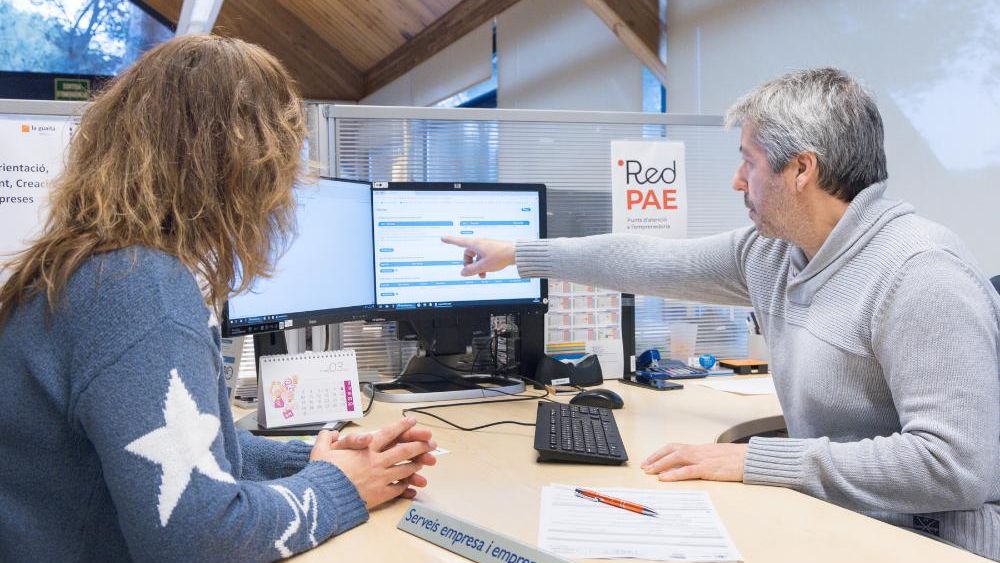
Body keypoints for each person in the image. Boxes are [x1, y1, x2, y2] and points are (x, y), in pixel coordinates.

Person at [443, 68, 999, 560]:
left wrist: (755, 462)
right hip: (844, 517)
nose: (737, 180)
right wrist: (519, 253)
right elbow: (650, 262)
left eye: (748, 162)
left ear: (802, 169)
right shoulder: (776, 252)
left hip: (935, 540)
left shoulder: (921, 274)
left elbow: (954, 467)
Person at [0, 35, 436, 562]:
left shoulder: (89, 266)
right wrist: (339, 486)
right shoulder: (138, 290)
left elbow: (177, 443)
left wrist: (312, 461)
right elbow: (200, 542)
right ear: (244, 168)